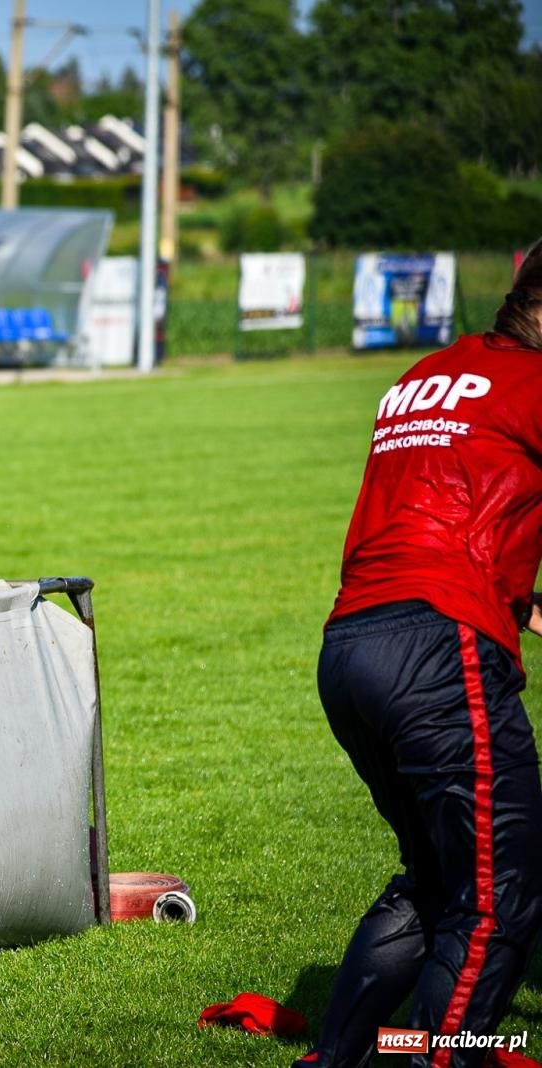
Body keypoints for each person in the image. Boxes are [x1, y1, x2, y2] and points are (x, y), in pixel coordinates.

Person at [300, 243, 542, 1068]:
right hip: (440, 649)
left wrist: (517, 599)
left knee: (437, 883)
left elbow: (442, 501)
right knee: (499, 899)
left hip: (351, 647)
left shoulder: (424, 375)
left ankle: (342, 1058)